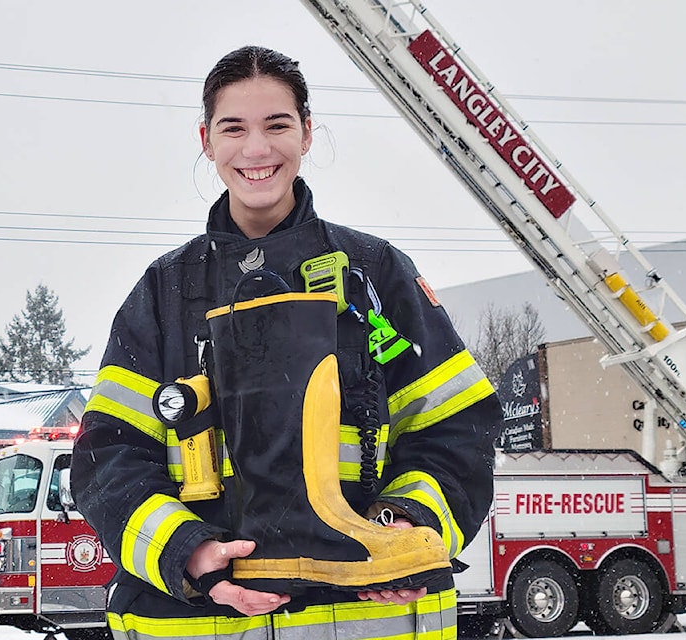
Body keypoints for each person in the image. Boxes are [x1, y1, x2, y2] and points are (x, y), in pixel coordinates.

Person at [71, 44, 502, 640]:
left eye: (277, 125)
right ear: (206, 139)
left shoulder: (376, 274)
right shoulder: (165, 294)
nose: (256, 149)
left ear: (306, 132)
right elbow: (108, 460)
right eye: (233, 128)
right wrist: (188, 553)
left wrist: (405, 524)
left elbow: (458, 428)